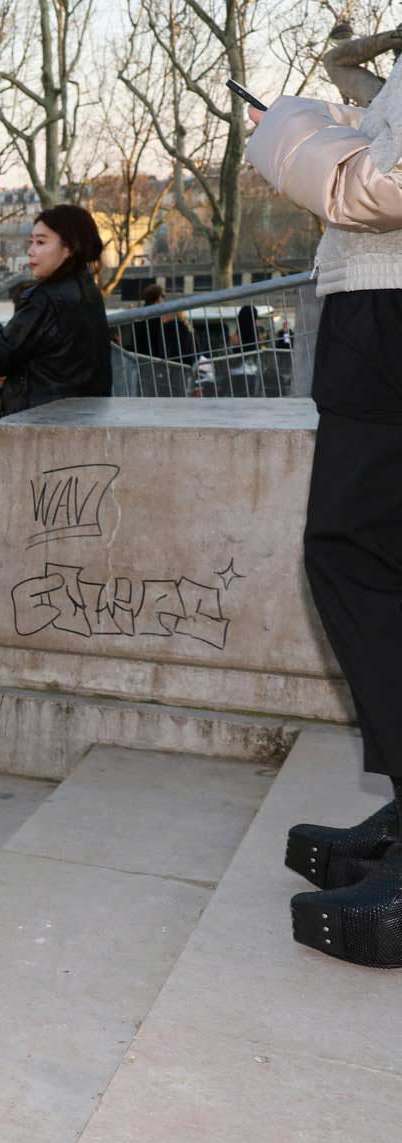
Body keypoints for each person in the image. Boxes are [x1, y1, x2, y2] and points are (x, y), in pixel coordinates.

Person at [246, 77, 402, 968]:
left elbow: (382, 185)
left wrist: (288, 133)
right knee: (371, 561)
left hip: (390, 304)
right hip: (376, 299)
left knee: (358, 562)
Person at [0, 205, 112, 416]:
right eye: (31, 242)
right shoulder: (88, 289)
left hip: (41, 418)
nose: (31, 251)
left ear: (69, 248)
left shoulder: (43, 298)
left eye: (40, 242)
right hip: (84, 414)